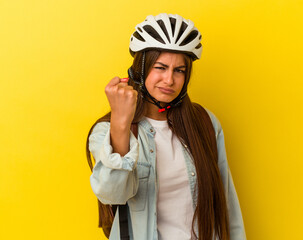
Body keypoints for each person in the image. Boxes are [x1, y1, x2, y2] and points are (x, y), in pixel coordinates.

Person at [86, 13, 247, 240]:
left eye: (179, 70)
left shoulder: (205, 123)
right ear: (140, 69)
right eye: (160, 67)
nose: (169, 80)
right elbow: (113, 194)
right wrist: (121, 121)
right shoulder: (106, 131)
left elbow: (227, 205)